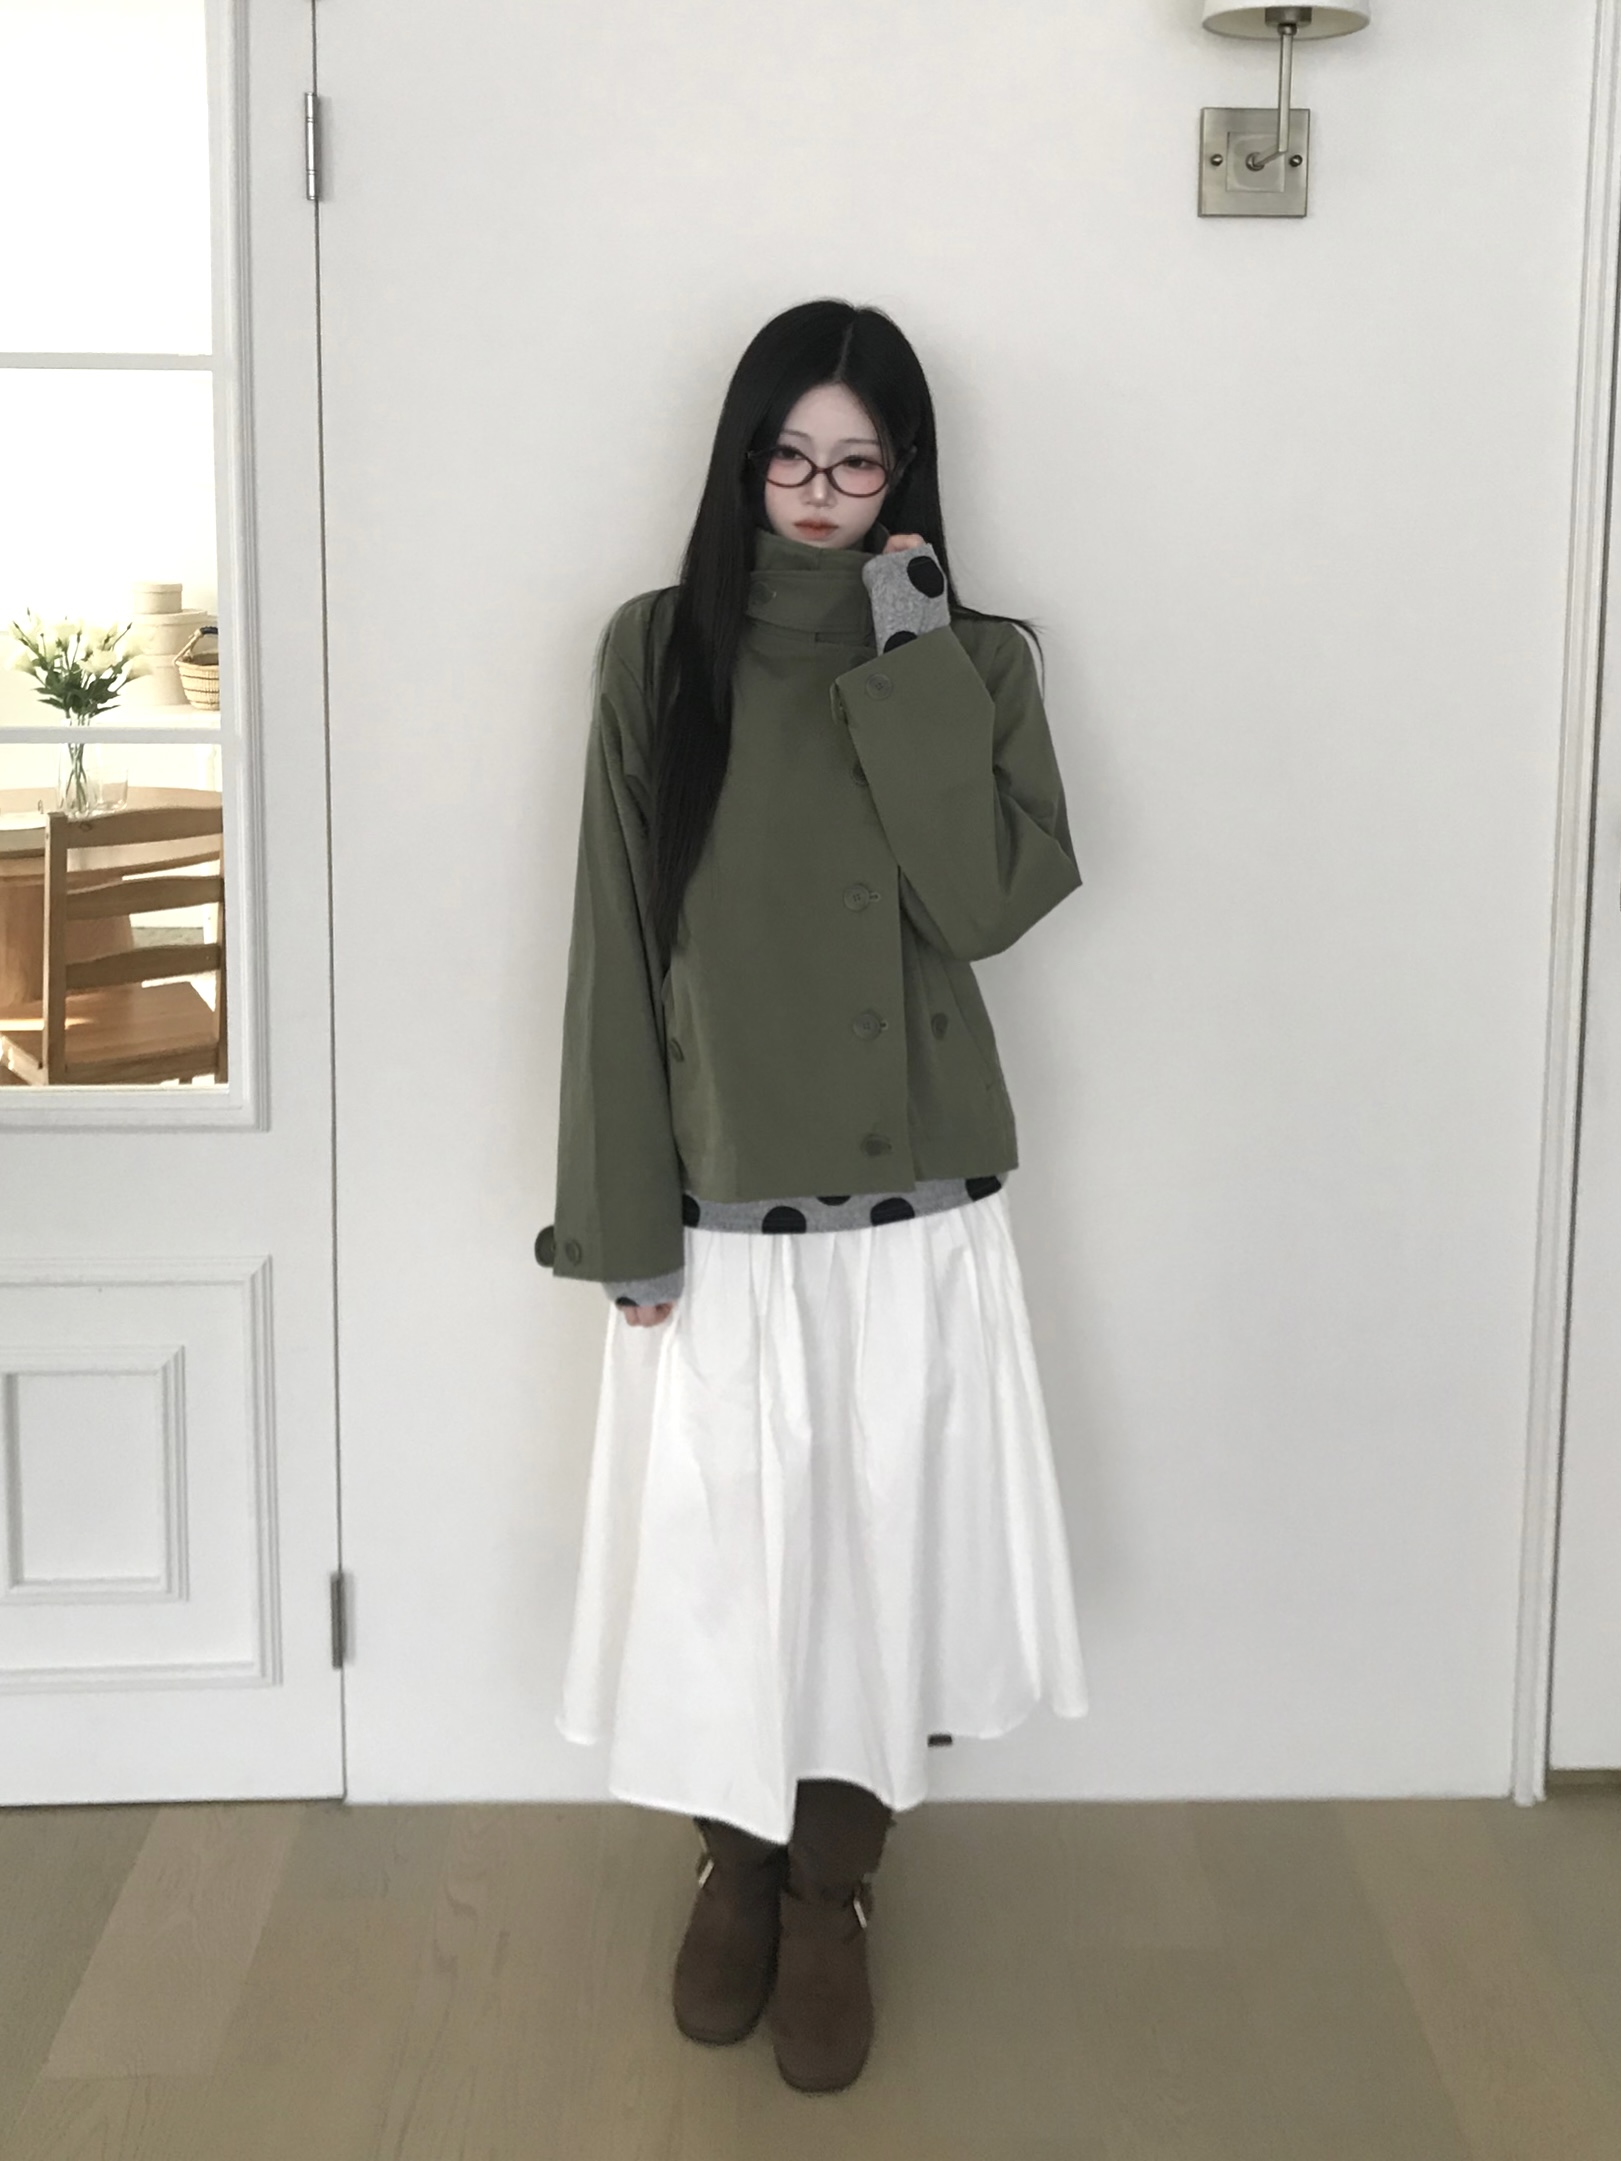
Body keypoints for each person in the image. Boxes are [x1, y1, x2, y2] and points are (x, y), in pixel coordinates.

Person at [533, 297, 1089, 2094]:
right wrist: (621, 1220)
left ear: (904, 473)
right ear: (741, 461)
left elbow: (987, 904)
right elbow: (612, 946)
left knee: (879, 1554)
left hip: (913, 1204)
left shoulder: (972, 656)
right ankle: (735, 1863)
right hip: (722, 1206)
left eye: (856, 461)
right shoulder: (656, 652)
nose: (820, 491)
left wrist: (910, 651)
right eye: (788, 455)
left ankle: (832, 1886)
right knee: (725, 1563)